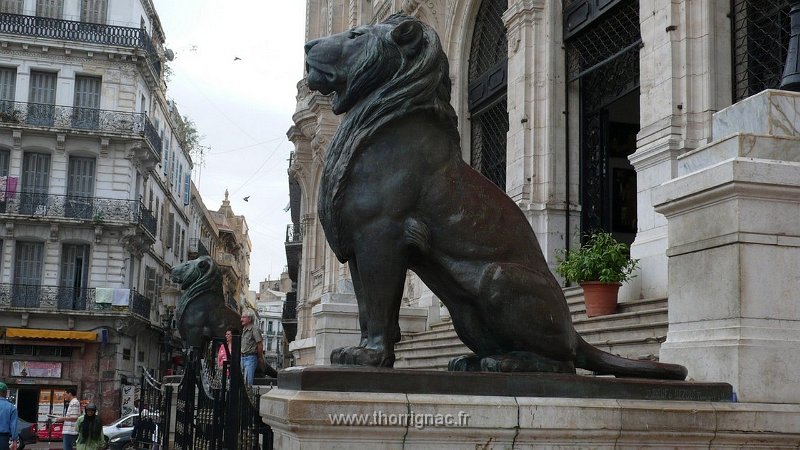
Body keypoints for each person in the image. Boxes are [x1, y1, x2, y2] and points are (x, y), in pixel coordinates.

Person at [240, 310, 264, 386]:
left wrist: (259, 357)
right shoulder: (244, 329)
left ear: (250, 319)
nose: (241, 319)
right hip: (242, 357)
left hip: (250, 358)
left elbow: (260, 344)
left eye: (243, 317)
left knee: (248, 382)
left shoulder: (254, 329)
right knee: (242, 381)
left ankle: (249, 393)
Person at [0, 382, 19, 450]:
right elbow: (14, 426)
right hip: (3, 439)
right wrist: (14, 441)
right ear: (6, 393)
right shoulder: (11, 407)